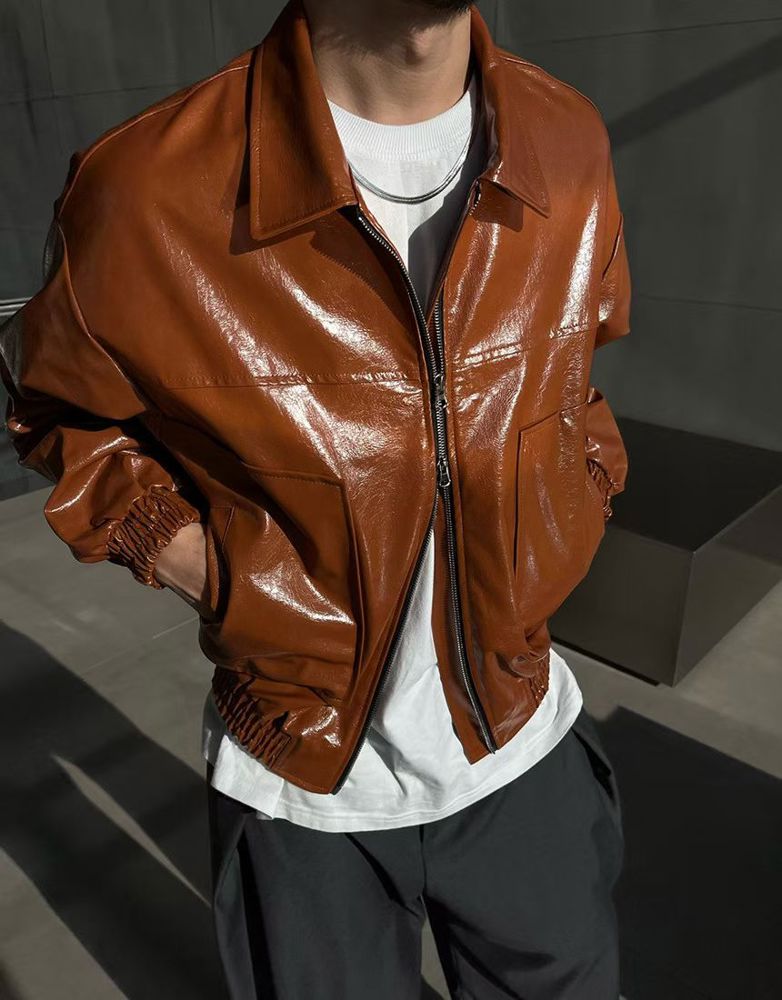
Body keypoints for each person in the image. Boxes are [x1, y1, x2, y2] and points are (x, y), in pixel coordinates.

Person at [0, 0, 632, 996]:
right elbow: (53, 406)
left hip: (522, 738)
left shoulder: (567, 136)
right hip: (299, 779)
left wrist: (579, 490)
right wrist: (200, 561)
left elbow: (582, 358)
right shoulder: (149, 185)